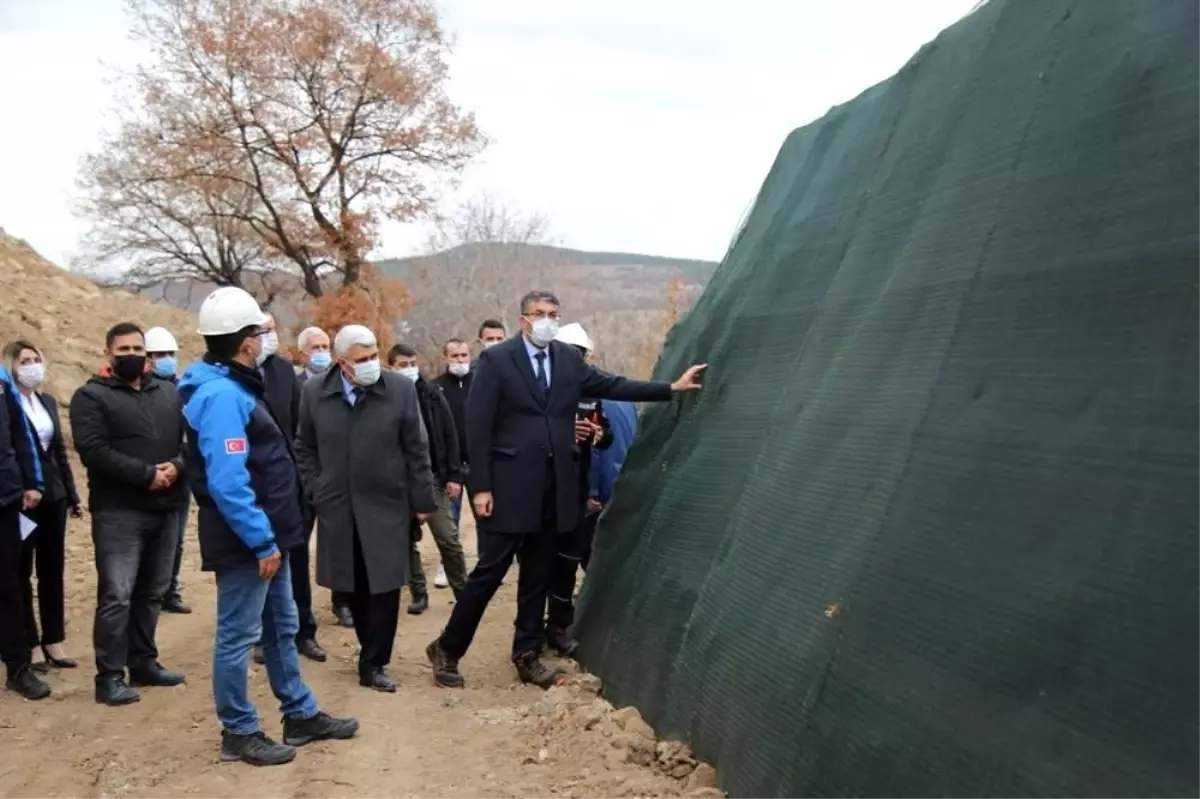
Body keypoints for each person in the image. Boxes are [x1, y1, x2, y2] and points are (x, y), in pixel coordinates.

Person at [426, 290, 707, 689]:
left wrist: (670, 388)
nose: (546, 320)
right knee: (490, 573)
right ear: (522, 319)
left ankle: (526, 654)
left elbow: (614, 384)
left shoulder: (567, 360)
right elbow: (478, 426)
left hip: (553, 488)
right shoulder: (497, 360)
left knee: (537, 576)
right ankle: (448, 649)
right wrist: (482, 487)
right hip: (508, 487)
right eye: (538, 314)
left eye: (553, 314)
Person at [179, 287, 358, 766]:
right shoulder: (219, 396)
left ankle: (299, 712)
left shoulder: (234, 386)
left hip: (269, 535)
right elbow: (228, 481)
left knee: (281, 627)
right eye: (260, 332)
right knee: (238, 637)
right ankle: (238, 730)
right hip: (247, 541)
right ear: (244, 342)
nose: (265, 340)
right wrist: (260, 539)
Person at [296, 325, 438, 693]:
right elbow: (304, 447)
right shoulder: (314, 392)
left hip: (388, 503)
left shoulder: (400, 391)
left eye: (375, 355)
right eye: (362, 360)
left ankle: (374, 662)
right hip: (338, 506)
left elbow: (416, 448)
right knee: (353, 582)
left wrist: (422, 501)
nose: (371, 364)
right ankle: (367, 647)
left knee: (386, 585)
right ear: (342, 363)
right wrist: (317, 488)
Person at [69, 322, 188, 706]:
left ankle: (143, 661)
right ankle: (109, 676)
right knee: (117, 594)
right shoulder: (91, 397)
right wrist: (146, 475)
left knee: (152, 591)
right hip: (119, 511)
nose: (133, 355)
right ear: (109, 354)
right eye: (124, 349)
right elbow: (94, 451)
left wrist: (175, 466)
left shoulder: (168, 392)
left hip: (166, 507)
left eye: (139, 348)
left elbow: (189, 441)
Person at [249, 313, 326, 663]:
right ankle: (265, 637)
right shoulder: (233, 376)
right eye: (261, 331)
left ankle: (303, 631)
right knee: (262, 563)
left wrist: (305, 478)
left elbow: (301, 429)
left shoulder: (282, 373)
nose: (269, 337)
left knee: (296, 558)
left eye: (271, 330)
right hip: (252, 486)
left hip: (291, 484)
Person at [4, 340, 83, 674]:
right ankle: (30, 643)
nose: (33, 366)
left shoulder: (46, 401)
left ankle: (54, 639)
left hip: (53, 494)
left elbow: (60, 452)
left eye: (37, 359)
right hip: (21, 497)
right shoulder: (9, 403)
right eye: (25, 361)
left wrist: (72, 494)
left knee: (52, 569)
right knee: (20, 572)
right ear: (12, 366)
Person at [542, 323, 613, 656]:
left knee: (568, 562)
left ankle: (557, 627)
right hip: (543, 491)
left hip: (577, 492)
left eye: (580, 354)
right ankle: (529, 631)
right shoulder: (540, 390)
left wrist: (598, 434)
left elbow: (606, 435)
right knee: (539, 564)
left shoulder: (591, 394)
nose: (575, 360)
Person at [386, 343, 468, 613]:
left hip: (432, 478)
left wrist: (453, 475)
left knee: (448, 538)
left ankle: (463, 592)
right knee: (405, 541)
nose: (409, 369)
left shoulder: (432, 393)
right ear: (391, 367)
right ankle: (418, 592)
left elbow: (449, 434)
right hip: (399, 482)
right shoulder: (383, 397)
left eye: (412, 363)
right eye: (402, 365)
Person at [295, 326, 353, 630]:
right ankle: (299, 607)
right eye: (315, 347)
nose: (322, 352)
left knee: (339, 543)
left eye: (325, 346)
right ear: (303, 353)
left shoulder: (340, 383)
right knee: (299, 545)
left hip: (338, 479)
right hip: (307, 481)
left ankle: (342, 601)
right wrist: (312, 481)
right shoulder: (297, 386)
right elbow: (300, 437)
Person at [0, 359, 50, 700]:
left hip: (3, 497)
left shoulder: (2, 378)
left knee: (8, 585)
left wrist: (32, 481)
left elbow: (21, 431)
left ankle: (18, 668)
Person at [145, 326, 193, 616]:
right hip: (149, 476)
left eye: (170, 354)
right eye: (159, 354)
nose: (166, 359)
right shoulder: (142, 390)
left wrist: (180, 465)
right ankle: (151, 589)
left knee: (176, 539)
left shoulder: (183, 389)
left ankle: (169, 589)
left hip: (180, 473)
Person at [434, 338, 473, 532]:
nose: (460, 360)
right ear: (445, 358)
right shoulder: (434, 389)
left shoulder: (482, 383)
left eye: (464, 355)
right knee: (451, 522)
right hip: (450, 467)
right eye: (454, 356)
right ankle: (451, 562)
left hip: (478, 464)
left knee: (487, 518)